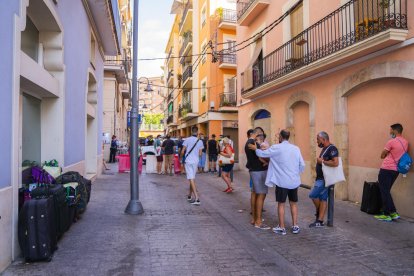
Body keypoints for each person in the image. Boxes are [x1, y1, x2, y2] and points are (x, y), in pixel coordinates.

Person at [250, 129, 305, 235]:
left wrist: (255, 148)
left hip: (282, 181)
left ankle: (282, 227)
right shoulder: (296, 148)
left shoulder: (276, 147)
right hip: (293, 181)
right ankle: (295, 226)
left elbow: (263, 153)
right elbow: (302, 164)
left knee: (281, 204)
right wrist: (295, 174)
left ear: (280, 137)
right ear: (288, 137)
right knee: (293, 203)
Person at [374, 123, 408, 222]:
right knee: (386, 191)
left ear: (394, 131)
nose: (389, 132)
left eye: (390, 131)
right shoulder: (405, 142)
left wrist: (387, 153)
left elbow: (382, 155)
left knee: (384, 191)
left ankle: (391, 213)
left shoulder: (391, 142)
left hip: (386, 169)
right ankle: (388, 212)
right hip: (396, 170)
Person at [308, 131, 339, 228]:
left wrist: (323, 161)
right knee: (323, 199)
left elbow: (335, 163)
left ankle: (319, 212)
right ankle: (320, 221)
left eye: (318, 139)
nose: (317, 142)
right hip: (321, 178)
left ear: (324, 139)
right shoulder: (325, 149)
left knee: (313, 195)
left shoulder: (332, 148)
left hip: (324, 179)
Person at [245, 129, 269, 230]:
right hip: (259, 171)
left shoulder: (249, 143)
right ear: (254, 134)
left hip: (254, 170)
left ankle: (254, 219)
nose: (260, 135)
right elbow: (260, 156)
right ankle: (258, 221)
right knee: (261, 194)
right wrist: (267, 162)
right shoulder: (253, 143)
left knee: (255, 193)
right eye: (259, 133)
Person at [181, 126, 204, 205]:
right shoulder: (200, 141)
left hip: (188, 161)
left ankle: (197, 198)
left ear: (191, 131)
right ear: (197, 132)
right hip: (195, 161)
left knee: (191, 178)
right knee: (192, 178)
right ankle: (189, 195)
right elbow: (200, 154)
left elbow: (183, 151)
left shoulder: (187, 139)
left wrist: (181, 158)